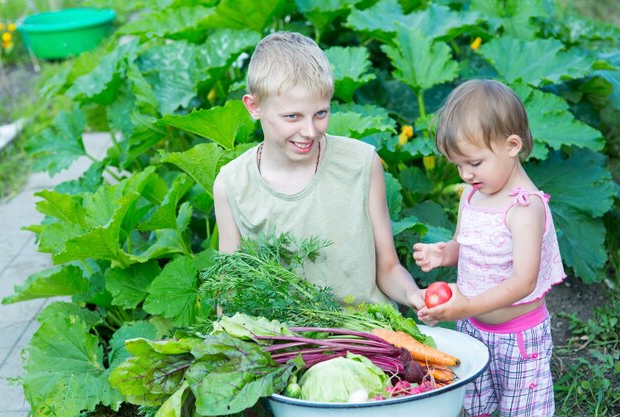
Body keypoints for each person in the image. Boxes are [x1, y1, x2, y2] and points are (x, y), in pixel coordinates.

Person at [213, 31, 424, 309]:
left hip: (371, 334)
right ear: (254, 107)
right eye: (292, 117)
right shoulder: (232, 184)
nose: (310, 131)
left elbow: (387, 268)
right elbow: (231, 289)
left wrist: (414, 296)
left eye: (321, 113)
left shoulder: (361, 162)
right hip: (288, 340)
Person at [412, 79, 566, 417]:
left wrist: (465, 306)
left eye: (474, 163)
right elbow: (465, 246)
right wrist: (445, 253)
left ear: (511, 145)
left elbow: (523, 282)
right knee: (474, 404)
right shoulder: (472, 194)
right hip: (472, 328)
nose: (465, 174)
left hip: (518, 337)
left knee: (521, 409)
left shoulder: (525, 208)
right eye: (458, 165)